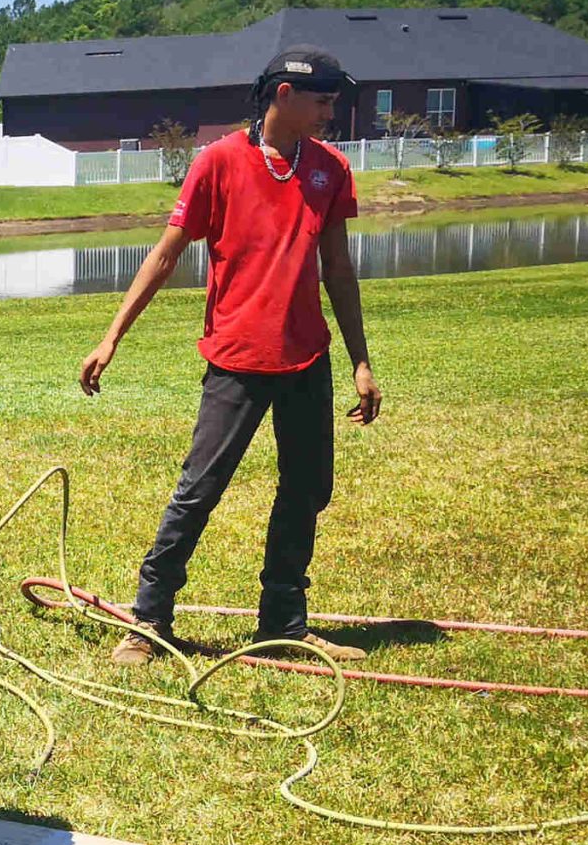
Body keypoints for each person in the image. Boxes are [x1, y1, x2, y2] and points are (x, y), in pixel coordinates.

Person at [78, 45, 382, 666]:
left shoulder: (330, 170)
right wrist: (112, 337)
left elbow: (340, 270)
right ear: (284, 96)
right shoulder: (218, 163)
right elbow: (164, 256)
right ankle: (149, 621)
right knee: (200, 489)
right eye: (323, 101)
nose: (332, 113)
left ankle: (284, 624)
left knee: (306, 490)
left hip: (307, 359)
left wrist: (360, 359)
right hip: (237, 358)